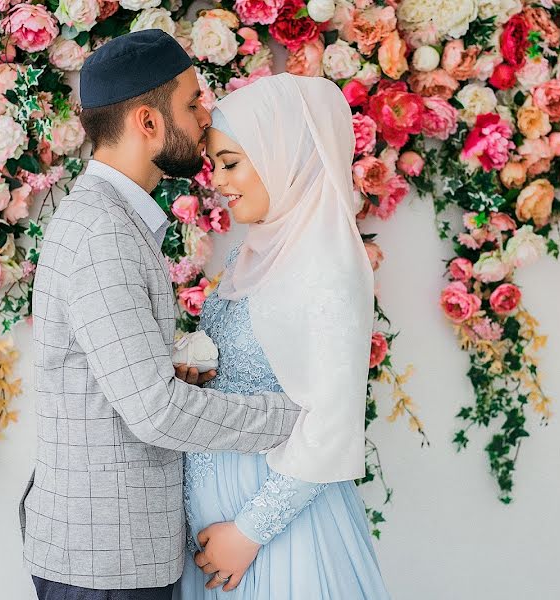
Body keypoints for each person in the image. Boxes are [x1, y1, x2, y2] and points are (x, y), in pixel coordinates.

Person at [20, 30, 302, 600]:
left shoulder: (112, 220)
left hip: (108, 552)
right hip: (105, 564)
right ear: (148, 123)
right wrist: (295, 419)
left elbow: (122, 386)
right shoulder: (104, 231)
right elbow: (155, 415)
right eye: (192, 102)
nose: (206, 115)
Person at [175, 73, 391, 599]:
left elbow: (332, 420)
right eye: (215, 166)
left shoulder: (328, 267)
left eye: (231, 163)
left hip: (281, 539)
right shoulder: (247, 258)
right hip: (213, 537)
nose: (219, 182)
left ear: (284, 154)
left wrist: (249, 533)